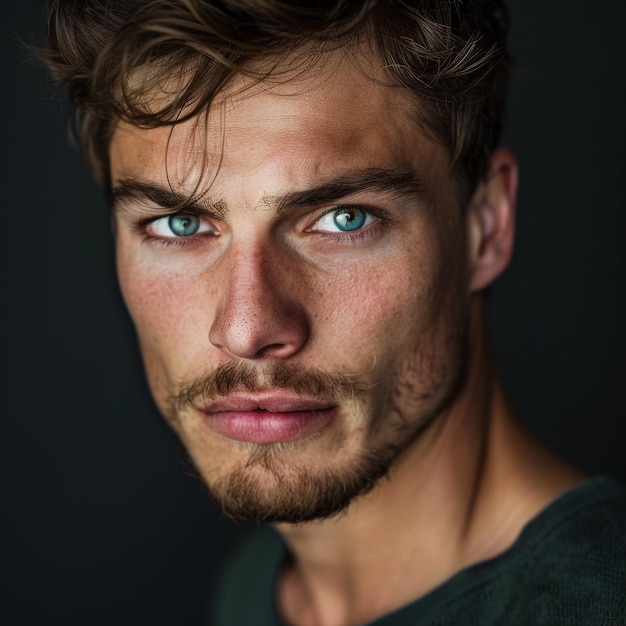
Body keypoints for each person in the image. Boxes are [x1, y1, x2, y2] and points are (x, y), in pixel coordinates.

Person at [41, 1, 626, 624]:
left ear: (486, 225)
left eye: (344, 219)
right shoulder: (257, 588)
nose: (246, 330)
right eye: (179, 223)